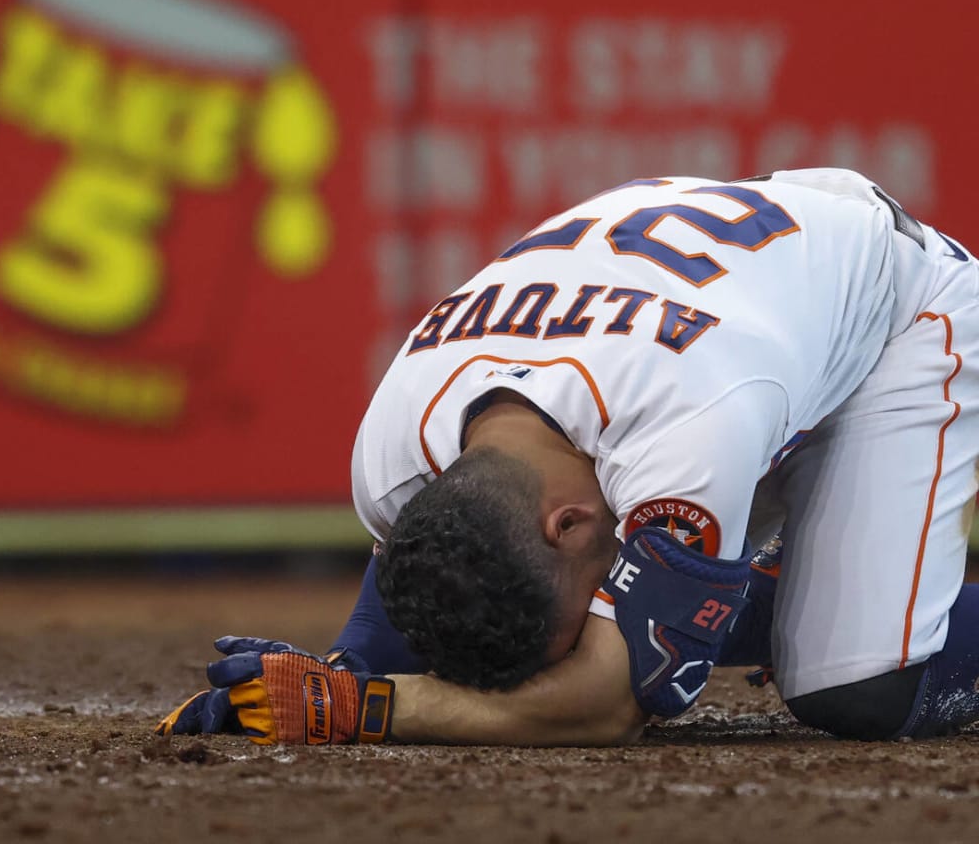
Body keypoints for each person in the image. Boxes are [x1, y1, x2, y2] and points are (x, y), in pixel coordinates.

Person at [156, 169, 979, 746]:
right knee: (682, 606)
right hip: (734, 299)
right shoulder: (391, 454)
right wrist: (335, 678)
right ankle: (753, 591)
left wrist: (372, 710)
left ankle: (756, 595)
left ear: (571, 521)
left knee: (858, 688)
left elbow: (611, 706)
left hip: (895, 309)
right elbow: (392, 641)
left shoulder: (685, 427)